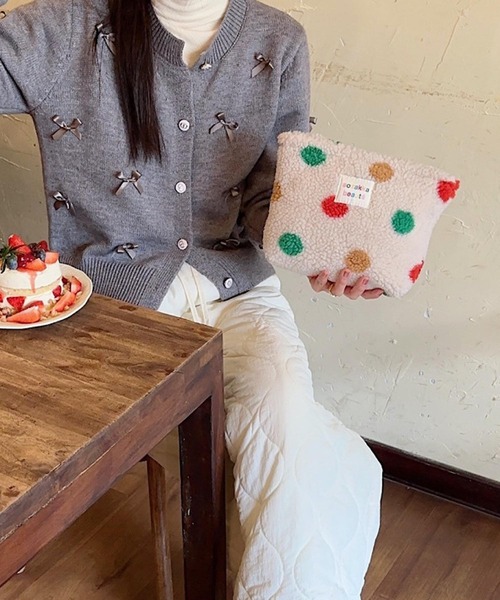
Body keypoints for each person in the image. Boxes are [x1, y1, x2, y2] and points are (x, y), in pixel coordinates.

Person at [0, 0, 383, 597]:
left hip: (239, 291)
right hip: (119, 301)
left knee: (289, 434)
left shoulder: (278, 40)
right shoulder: (62, 28)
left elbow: (271, 195)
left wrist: (319, 249)